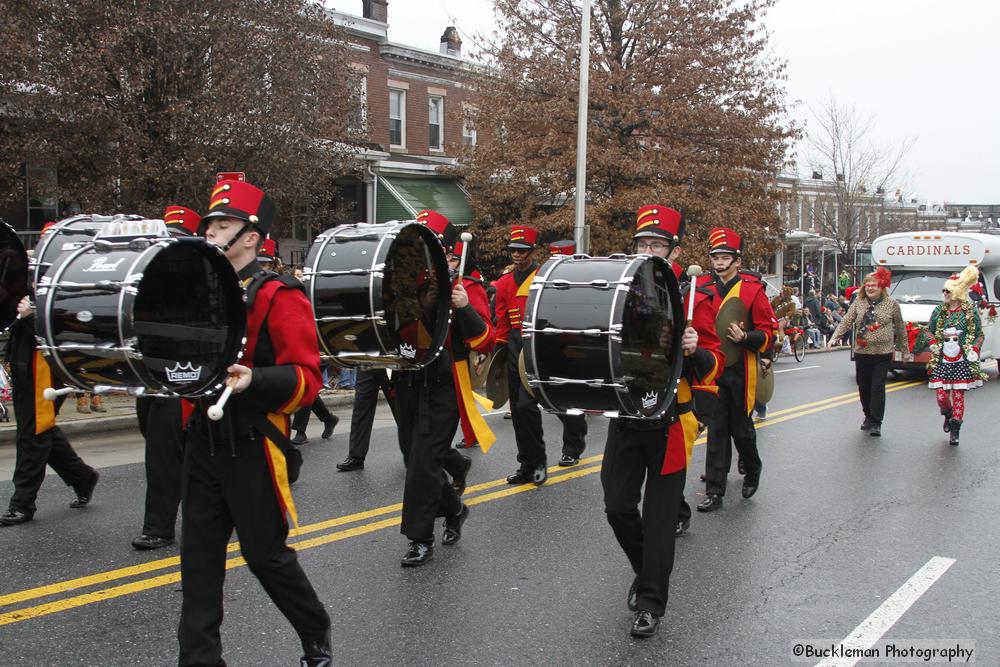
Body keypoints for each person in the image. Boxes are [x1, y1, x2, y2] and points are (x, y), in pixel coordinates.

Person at [178, 179, 331, 665]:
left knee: (265, 556)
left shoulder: (279, 294)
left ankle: (315, 628)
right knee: (198, 564)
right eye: (209, 224)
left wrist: (255, 380)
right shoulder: (195, 291)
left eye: (221, 225)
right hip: (203, 441)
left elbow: (308, 379)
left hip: (252, 445)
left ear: (250, 236)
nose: (210, 232)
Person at [602, 205, 723, 637]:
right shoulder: (619, 292)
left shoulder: (693, 297)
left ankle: (651, 601)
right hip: (627, 414)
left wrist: (695, 349)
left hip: (670, 421)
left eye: (657, 244)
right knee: (617, 507)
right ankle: (645, 570)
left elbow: (714, 362)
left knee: (659, 518)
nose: (648, 250)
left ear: (673, 250)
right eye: (642, 243)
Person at [393, 212, 495, 566]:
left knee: (423, 462)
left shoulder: (468, 288)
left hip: (445, 385)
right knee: (413, 456)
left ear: (450, 254)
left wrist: (464, 308)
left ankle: (420, 538)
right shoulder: (404, 284)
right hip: (408, 380)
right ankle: (455, 509)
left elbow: (485, 341)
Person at [131, 205, 203, 550]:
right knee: (157, 439)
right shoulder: (149, 278)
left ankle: (158, 527)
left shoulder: (202, 278)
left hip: (184, 374)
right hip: (151, 372)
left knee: (162, 450)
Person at [495, 225, 588, 482]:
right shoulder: (503, 282)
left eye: (523, 251)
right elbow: (502, 323)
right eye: (514, 250)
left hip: (542, 341)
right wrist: (494, 354)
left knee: (552, 399)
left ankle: (571, 445)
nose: (517, 255)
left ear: (533, 251)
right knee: (520, 410)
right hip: (516, 346)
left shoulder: (545, 277)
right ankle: (530, 463)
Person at [1, 295, 99, 526]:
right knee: (41, 428)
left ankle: (22, 504)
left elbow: (69, 325)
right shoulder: (24, 276)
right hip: (26, 362)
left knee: (33, 434)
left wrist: (30, 317)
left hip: (43, 366)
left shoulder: (58, 276)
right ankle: (82, 477)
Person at [697, 228, 776, 512]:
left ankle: (752, 468)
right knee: (717, 430)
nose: (719, 263)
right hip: (714, 370)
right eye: (716, 257)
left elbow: (768, 333)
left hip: (742, 369)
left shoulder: (753, 291)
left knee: (741, 430)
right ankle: (715, 491)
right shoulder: (703, 289)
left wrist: (747, 338)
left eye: (725, 257)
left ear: (737, 261)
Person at [828, 268, 907, 437]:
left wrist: (905, 350)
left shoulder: (892, 304)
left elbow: (900, 328)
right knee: (863, 386)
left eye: (874, 285)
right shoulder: (859, 302)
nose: (870, 288)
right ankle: (868, 416)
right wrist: (835, 337)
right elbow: (847, 321)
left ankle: (877, 421)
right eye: (868, 285)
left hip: (882, 353)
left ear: (882, 287)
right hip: (862, 352)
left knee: (877, 387)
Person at [926, 266, 985, 446]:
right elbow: (929, 332)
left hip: (961, 361)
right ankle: (948, 415)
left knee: (958, 395)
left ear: (957, 292)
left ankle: (955, 429)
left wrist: (974, 349)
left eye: (948, 290)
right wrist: (933, 344)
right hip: (942, 361)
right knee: (942, 396)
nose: (945, 293)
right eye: (943, 290)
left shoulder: (969, 311)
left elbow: (979, 334)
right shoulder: (938, 311)